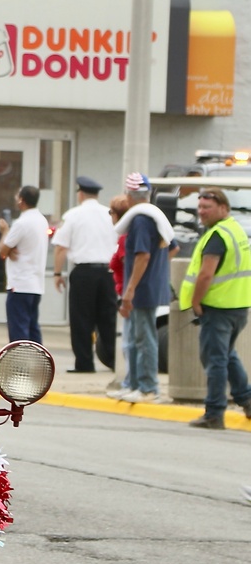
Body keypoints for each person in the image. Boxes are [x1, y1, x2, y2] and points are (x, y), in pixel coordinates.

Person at [177, 186, 251, 429]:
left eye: (207, 207)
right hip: (238, 306)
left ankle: (214, 413)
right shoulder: (235, 230)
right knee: (227, 356)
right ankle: (247, 400)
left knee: (215, 360)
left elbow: (206, 275)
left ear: (223, 208)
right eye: (199, 207)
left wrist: (196, 302)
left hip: (218, 307)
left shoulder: (217, 236)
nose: (202, 212)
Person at [51, 175, 118, 373]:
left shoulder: (73, 215)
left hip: (84, 273)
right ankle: (115, 362)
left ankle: (84, 364)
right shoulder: (109, 213)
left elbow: (61, 247)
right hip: (108, 272)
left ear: (80, 194)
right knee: (108, 319)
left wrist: (57, 273)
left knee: (81, 319)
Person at [118, 173, 173, 404]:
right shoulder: (156, 218)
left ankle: (148, 387)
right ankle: (137, 384)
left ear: (130, 196)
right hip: (149, 286)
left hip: (141, 289)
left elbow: (142, 256)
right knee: (139, 337)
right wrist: (157, 272)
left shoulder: (141, 220)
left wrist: (129, 290)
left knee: (144, 338)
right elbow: (173, 247)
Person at [0, 185, 48, 343]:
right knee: (33, 330)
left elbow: (2, 250)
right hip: (36, 284)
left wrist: (5, 231)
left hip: (19, 284)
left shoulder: (21, 223)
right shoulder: (41, 220)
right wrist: (11, 250)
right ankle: (39, 364)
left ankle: (20, 365)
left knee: (18, 331)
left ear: (21, 200)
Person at [106, 195, 134, 399]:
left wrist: (127, 294)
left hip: (127, 294)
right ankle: (131, 382)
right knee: (131, 341)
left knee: (130, 342)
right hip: (125, 291)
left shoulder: (125, 238)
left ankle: (131, 382)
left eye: (111, 213)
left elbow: (127, 265)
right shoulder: (125, 237)